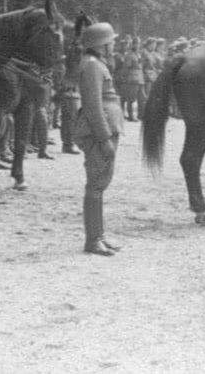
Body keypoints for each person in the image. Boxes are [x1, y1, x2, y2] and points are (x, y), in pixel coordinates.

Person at [73, 22, 122, 256]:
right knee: (96, 183)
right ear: (101, 44)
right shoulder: (92, 65)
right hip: (97, 132)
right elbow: (93, 106)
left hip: (103, 130)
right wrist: (104, 139)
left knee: (100, 183)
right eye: (110, 41)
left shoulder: (96, 63)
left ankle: (98, 236)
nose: (113, 44)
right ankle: (93, 240)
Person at [116, 36, 144, 122]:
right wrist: (125, 78)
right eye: (136, 44)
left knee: (141, 98)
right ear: (133, 45)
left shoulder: (138, 54)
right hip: (132, 79)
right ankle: (131, 116)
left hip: (139, 78)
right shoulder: (129, 55)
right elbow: (126, 67)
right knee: (131, 98)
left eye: (139, 43)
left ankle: (141, 115)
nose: (138, 45)